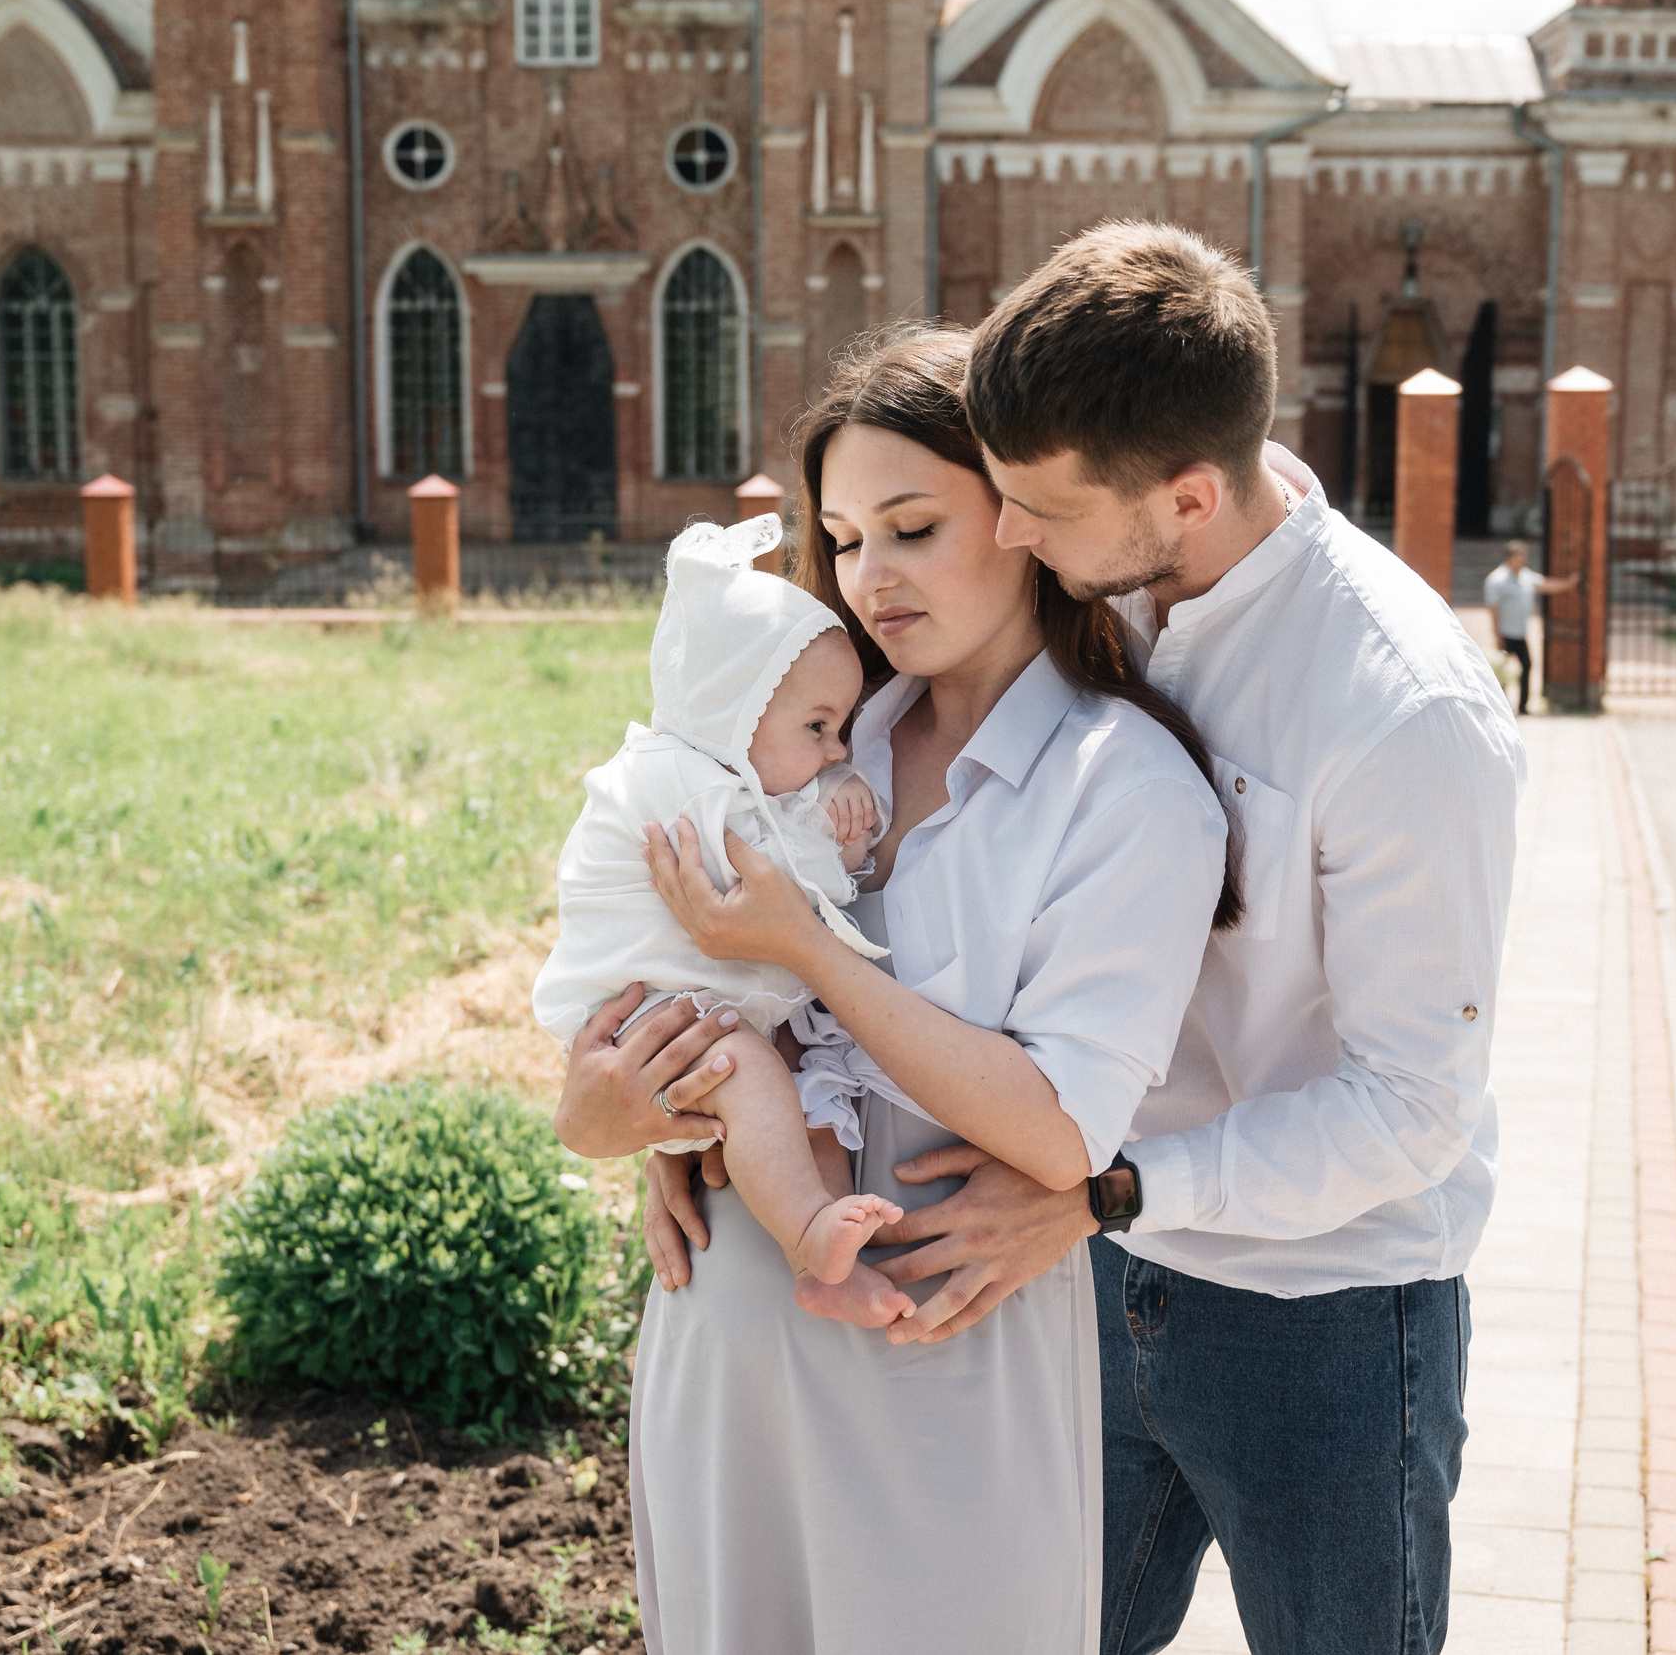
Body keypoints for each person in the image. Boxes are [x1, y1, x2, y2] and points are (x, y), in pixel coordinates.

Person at [552, 326, 1235, 1655]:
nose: (871, 576)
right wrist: (620, 1117)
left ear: (1024, 513)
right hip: (727, 1345)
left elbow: (1058, 1132)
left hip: (941, 1363)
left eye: (914, 527)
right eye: (844, 537)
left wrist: (811, 952)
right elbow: (638, 1021)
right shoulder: (799, 736)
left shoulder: (1127, 788)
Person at [948, 219, 1526, 1654]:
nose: (1007, 536)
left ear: (1190, 496)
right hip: (1092, 1273)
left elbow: (1413, 1105)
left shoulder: (1404, 710)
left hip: (1327, 1324)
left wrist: (1114, 1192)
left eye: (1039, 507)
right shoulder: (1105, 587)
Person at [530, 513, 911, 1328]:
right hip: (655, 1023)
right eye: (818, 728)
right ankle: (809, 1238)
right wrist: (843, 835)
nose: (837, 751)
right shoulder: (685, 783)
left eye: (841, 730)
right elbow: (776, 883)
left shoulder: (718, 775)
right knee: (756, 1074)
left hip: (695, 1007)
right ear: (735, 712)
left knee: (807, 1083)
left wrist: (827, 800)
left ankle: (826, 1245)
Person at [1482, 538, 1579, 715]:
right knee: (1502, 671)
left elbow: (1545, 585)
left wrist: (1569, 584)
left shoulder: (1526, 576)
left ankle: (1522, 706)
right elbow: (1493, 608)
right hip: (1505, 632)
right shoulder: (1497, 579)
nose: (1522, 560)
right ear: (1509, 558)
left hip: (1520, 632)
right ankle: (1501, 708)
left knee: (1526, 666)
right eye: (1519, 557)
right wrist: (1497, 633)